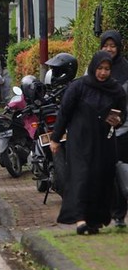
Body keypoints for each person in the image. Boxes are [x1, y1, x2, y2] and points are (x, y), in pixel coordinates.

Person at [49, 51, 127, 235]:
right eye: (100, 68)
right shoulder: (79, 87)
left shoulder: (115, 90)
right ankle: (80, 220)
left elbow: (121, 113)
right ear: (93, 68)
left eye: (107, 69)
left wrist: (118, 120)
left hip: (104, 142)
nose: (102, 73)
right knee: (81, 178)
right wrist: (55, 138)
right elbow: (64, 113)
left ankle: (95, 221)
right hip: (80, 141)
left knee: (100, 179)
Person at [100, 30, 128, 228]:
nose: (109, 49)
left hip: (123, 129)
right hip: (99, 130)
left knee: (120, 171)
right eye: (106, 45)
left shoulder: (126, 69)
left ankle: (119, 214)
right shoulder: (95, 67)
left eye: (113, 46)